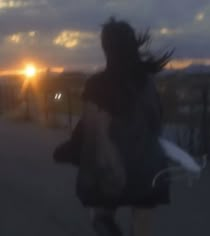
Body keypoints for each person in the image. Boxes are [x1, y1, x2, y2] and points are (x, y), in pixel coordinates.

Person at [53, 17, 173, 236]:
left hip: (115, 168)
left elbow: (92, 129)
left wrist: (70, 150)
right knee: (143, 213)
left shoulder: (97, 84)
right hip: (151, 168)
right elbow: (156, 123)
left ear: (106, 47)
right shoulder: (147, 82)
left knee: (100, 216)